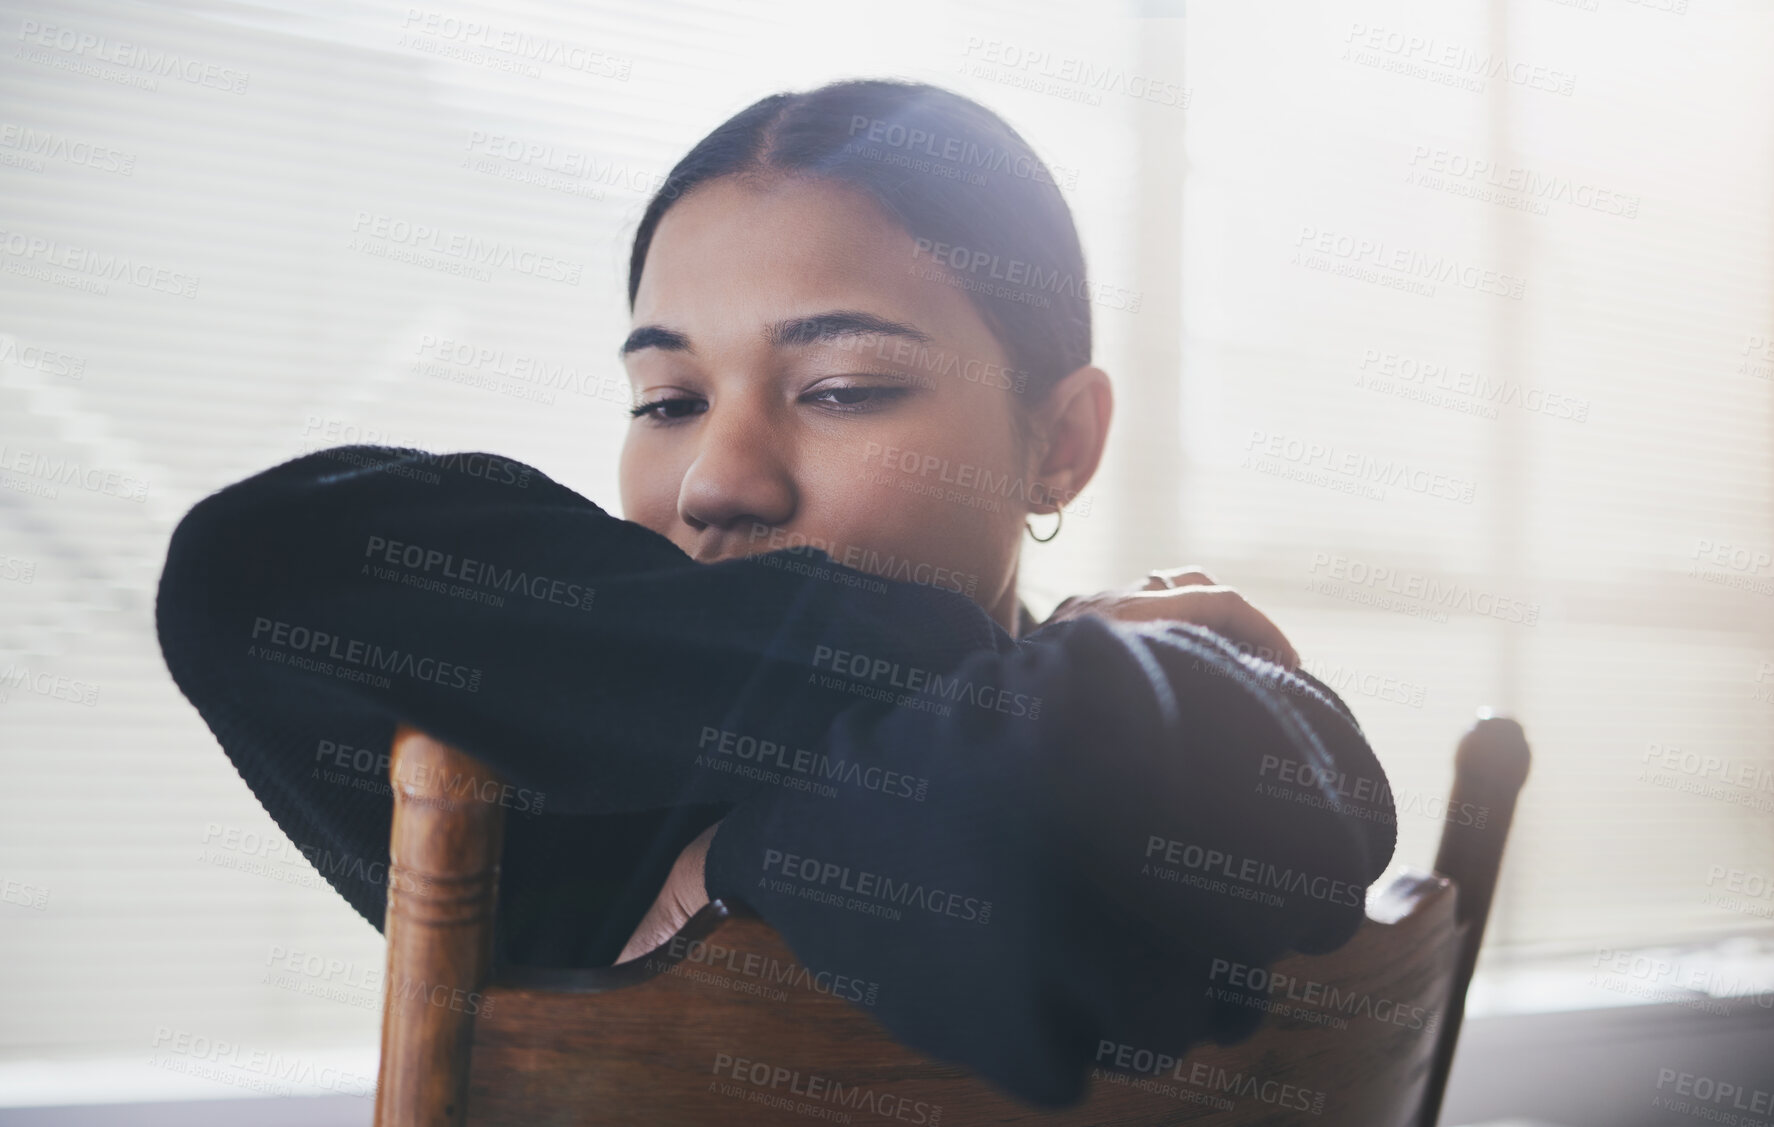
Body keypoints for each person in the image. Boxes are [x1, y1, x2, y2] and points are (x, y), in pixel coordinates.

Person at [154, 78, 1396, 1109]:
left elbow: (1007, 880)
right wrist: (964, 675)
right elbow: (248, 568)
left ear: (1058, 442)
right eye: (668, 402)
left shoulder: (1186, 708)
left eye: (844, 387)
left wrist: (722, 870)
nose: (716, 481)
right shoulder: (561, 811)